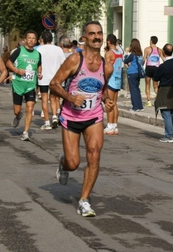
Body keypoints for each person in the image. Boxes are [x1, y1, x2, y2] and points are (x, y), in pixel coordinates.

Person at [49, 21, 114, 217]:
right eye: (92, 34)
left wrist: (107, 100)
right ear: (84, 38)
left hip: (93, 116)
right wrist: (70, 97)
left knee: (94, 154)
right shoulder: (74, 61)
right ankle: (63, 163)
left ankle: (84, 200)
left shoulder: (107, 67)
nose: (97, 37)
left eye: (99, 33)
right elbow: (54, 84)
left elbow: (101, 90)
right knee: (74, 163)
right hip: (71, 117)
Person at [6, 30, 42, 141]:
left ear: (36, 41)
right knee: (17, 110)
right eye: (29, 38)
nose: (31, 40)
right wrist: (17, 71)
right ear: (25, 39)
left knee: (30, 108)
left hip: (31, 85)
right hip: (18, 84)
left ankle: (25, 132)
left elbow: (39, 65)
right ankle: (18, 116)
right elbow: (8, 63)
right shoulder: (18, 51)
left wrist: (40, 73)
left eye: (33, 38)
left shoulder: (38, 54)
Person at [37, 31, 65, 130]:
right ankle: (54, 116)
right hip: (55, 78)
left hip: (43, 77)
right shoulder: (58, 49)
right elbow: (63, 64)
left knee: (44, 99)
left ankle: (47, 122)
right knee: (53, 98)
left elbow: (37, 64)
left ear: (43, 40)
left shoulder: (39, 50)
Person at [153, 43, 173, 143]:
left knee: (166, 113)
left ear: (163, 52)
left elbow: (156, 78)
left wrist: (156, 89)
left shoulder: (163, 66)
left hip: (165, 89)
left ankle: (169, 135)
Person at [103, 34, 123, 135]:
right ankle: (114, 126)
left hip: (110, 80)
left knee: (109, 104)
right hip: (118, 79)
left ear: (108, 42)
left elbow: (106, 67)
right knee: (114, 104)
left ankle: (110, 126)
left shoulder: (109, 53)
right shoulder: (119, 52)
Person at [124, 38, 144, 112]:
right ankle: (140, 106)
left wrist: (126, 52)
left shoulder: (132, 55)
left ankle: (135, 107)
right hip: (138, 73)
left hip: (132, 73)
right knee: (137, 89)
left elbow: (125, 60)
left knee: (133, 90)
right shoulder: (140, 55)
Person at [143, 36, 163, 107]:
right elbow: (163, 59)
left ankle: (148, 101)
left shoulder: (147, 49)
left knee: (147, 85)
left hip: (149, 68)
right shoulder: (159, 50)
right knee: (155, 85)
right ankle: (157, 97)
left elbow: (144, 59)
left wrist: (142, 66)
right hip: (156, 68)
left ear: (151, 41)